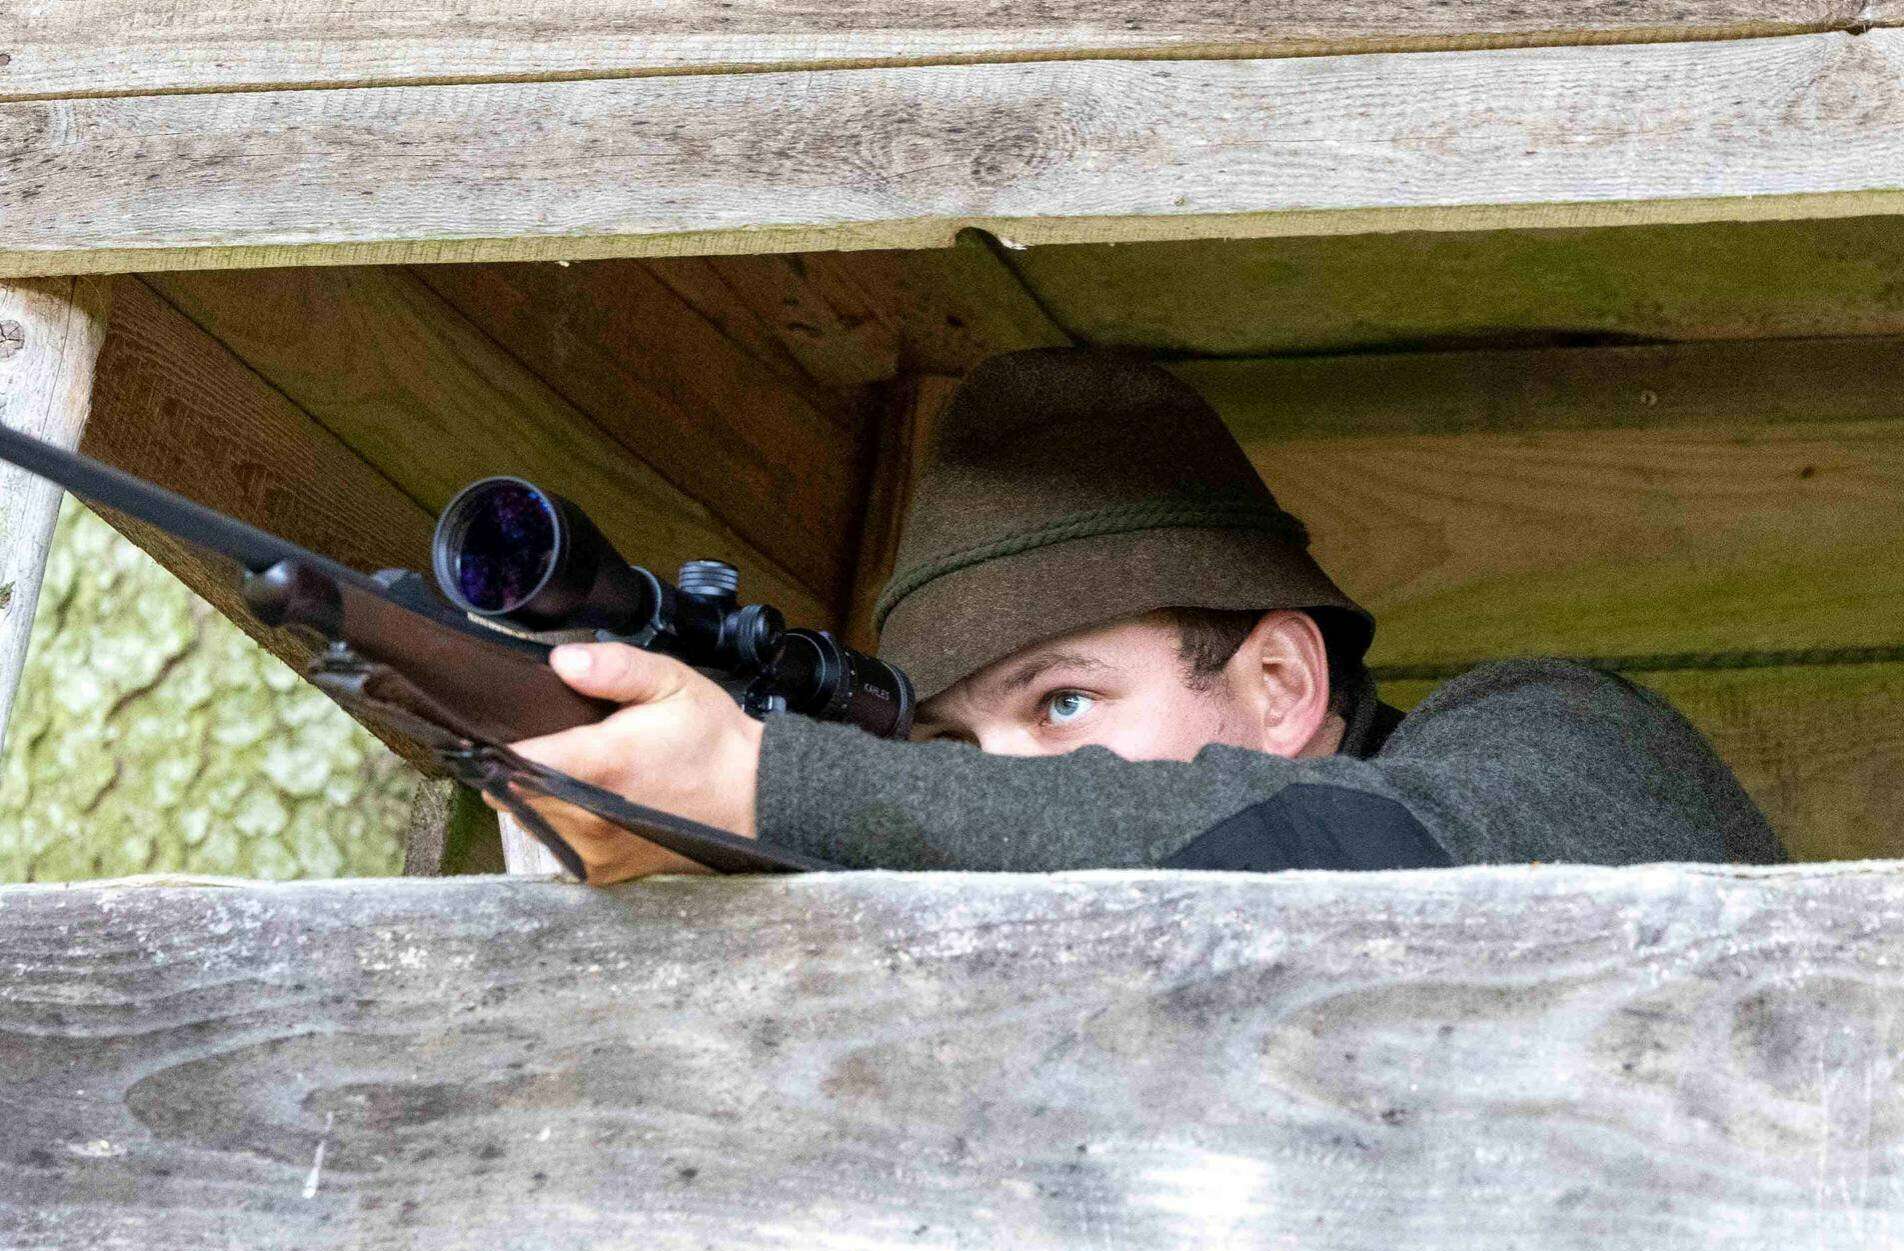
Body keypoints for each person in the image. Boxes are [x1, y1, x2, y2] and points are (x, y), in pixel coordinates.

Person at [490, 347, 1784, 882]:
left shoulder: (1555, 740)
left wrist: (771, 790)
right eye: (955, 747)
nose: (1003, 780)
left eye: (1063, 702)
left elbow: (1345, 846)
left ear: (1281, 681)